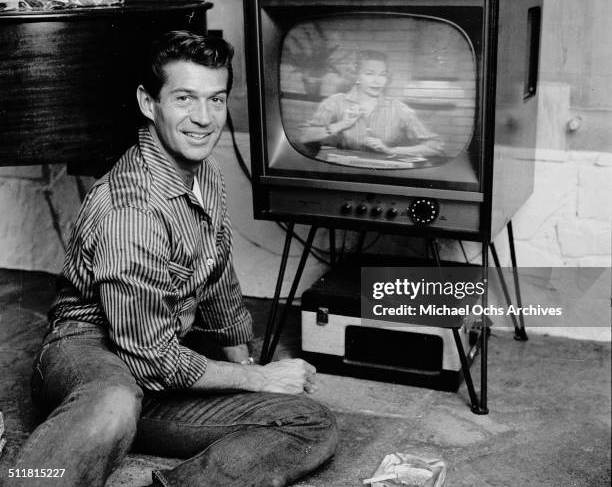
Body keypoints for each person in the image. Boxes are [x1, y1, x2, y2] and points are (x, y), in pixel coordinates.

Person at [11, 31, 338, 486]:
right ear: (149, 103)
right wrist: (260, 380)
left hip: (161, 358)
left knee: (308, 421)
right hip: (90, 352)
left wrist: (244, 365)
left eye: (216, 99)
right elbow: (149, 358)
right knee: (114, 401)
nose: (204, 119)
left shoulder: (207, 172)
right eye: (185, 98)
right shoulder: (132, 212)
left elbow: (218, 275)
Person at [300, 50, 444, 158]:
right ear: (356, 76)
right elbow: (304, 137)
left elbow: (436, 146)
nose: (378, 81)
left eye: (382, 74)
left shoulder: (399, 109)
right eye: (369, 74)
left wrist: (392, 150)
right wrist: (341, 125)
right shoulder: (334, 102)